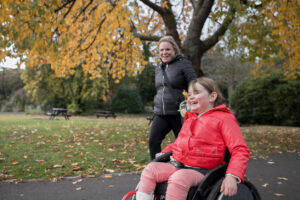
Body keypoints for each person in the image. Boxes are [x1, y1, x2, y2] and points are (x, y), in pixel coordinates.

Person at [136, 77, 250, 200]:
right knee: (150, 169)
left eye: (196, 93)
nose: (190, 97)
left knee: (179, 178)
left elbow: (240, 149)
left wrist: (232, 176)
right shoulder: (190, 118)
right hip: (180, 163)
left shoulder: (224, 118)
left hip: (205, 170)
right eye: (189, 94)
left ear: (212, 97)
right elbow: (179, 144)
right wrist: (163, 154)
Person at [149, 35, 197, 160]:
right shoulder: (158, 68)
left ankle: (186, 170)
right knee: (153, 142)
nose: (164, 53)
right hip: (160, 113)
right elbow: (160, 89)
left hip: (179, 113)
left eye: (167, 49)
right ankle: (156, 169)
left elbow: (193, 83)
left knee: (184, 145)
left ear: (174, 50)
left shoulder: (184, 64)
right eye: (161, 50)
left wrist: (192, 101)